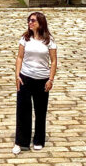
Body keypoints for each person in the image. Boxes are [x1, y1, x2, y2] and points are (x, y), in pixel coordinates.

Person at [13, 11, 58, 154]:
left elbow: (54, 61)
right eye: (29, 20)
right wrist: (17, 75)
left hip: (42, 79)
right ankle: (21, 142)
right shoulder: (25, 39)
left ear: (40, 23)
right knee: (22, 110)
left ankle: (38, 140)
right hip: (25, 77)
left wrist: (50, 79)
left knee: (40, 111)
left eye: (33, 21)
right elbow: (19, 57)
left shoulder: (49, 41)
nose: (30, 23)